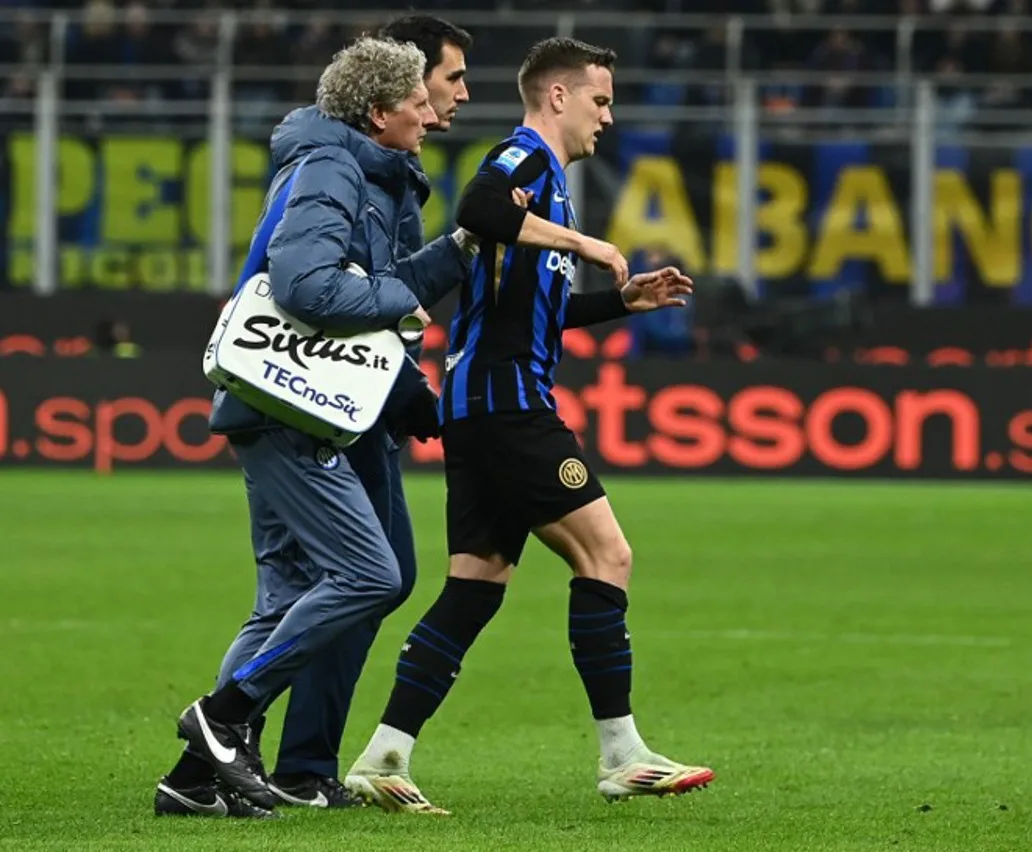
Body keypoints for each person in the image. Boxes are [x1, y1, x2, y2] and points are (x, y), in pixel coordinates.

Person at [344, 37, 715, 814]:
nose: (607, 118)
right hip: (510, 407)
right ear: (557, 96)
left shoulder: (546, 184)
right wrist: (583, 242)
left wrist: (623, 301)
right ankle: (622, 754)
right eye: (600, 100)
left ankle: (383, 755)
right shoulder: (524, 162)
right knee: (608, 554)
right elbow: (479, 210)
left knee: (476, 586)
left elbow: (531, 308)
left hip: (480, 406)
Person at [154, 35, 477, 819]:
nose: (432, 115)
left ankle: (195, 780)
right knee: (372, 575)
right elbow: (308, 288)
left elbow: (372, 289)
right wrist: (400, 300)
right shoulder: (333, 170)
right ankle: (225, 717)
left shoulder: (352, 168)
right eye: (419, 102)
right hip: (292, 411)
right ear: (378, 112)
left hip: (288, 409)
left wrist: (462, 249)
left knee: (282, 601)